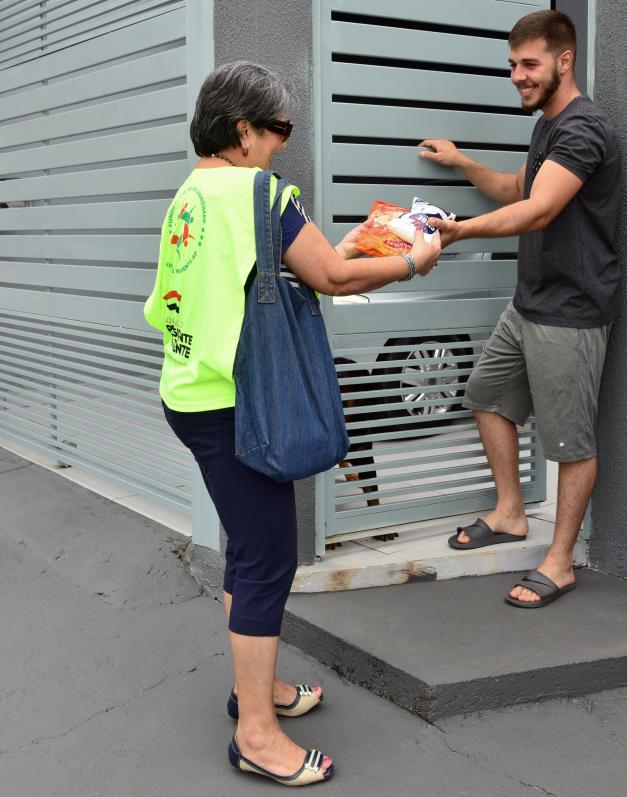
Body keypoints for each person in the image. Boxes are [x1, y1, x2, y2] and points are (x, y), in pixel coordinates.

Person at [144, 61, 440, 787]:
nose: (284, 141)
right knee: (269, 556)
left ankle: (258, 687)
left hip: (190, 389)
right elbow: (331, 277)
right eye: (278, 128)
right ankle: (256, 734)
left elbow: (303, 265)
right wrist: (413, 261)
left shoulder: (195, 190)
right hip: (234, 402)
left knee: (248, 549)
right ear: (242, 130)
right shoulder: (258, 191)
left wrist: (366, 247)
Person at [419, 10, 621, 608]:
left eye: (528, 64)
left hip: (571, 310)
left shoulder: (584, 129)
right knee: (485, 395)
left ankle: (559, 562)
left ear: (565, 61)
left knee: (570, 442)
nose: (516, 76)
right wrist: (461, 163)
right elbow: (518, 190)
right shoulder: (549, 127)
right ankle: (510, 512)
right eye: (512, 65)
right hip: (530, 302)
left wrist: (456, 233)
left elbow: (537, 212)